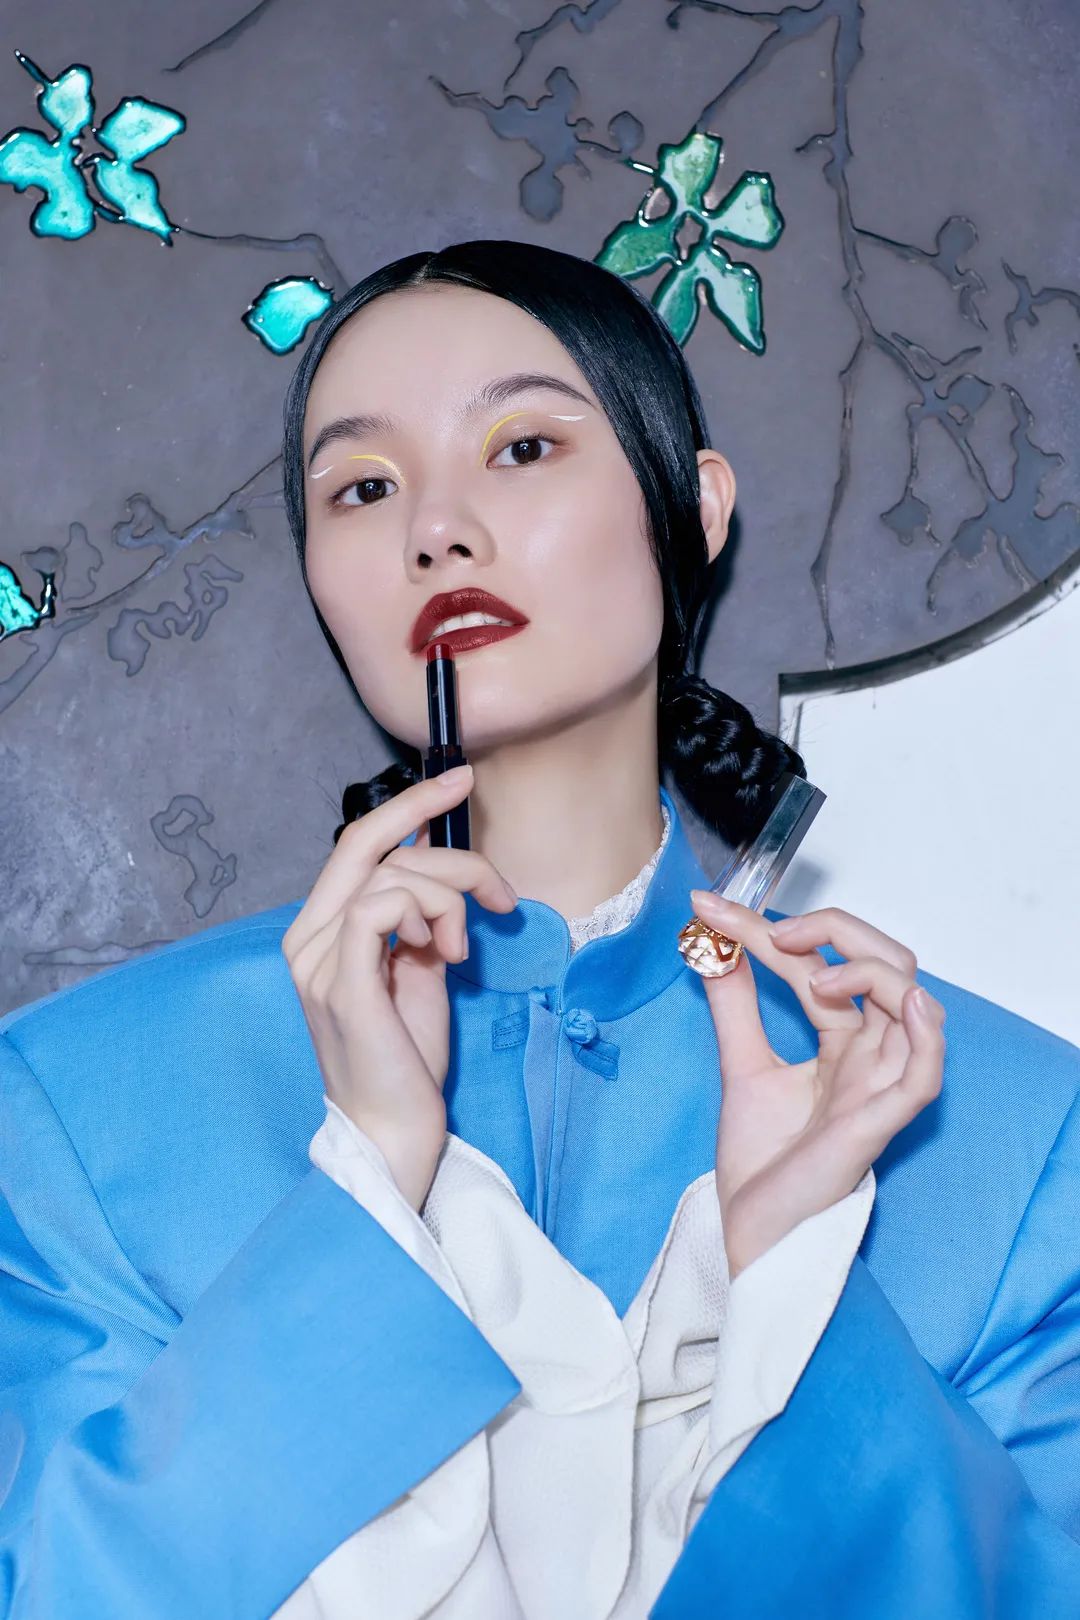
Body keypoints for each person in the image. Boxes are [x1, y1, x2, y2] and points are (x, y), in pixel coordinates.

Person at [0, 239, 1077, 1618]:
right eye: (364, 486)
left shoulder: (1017, 1145)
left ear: (694, 507)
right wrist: (367, 1192)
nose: (436, 530)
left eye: (522, 448)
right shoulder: (77, 1112)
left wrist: (796, 1282)